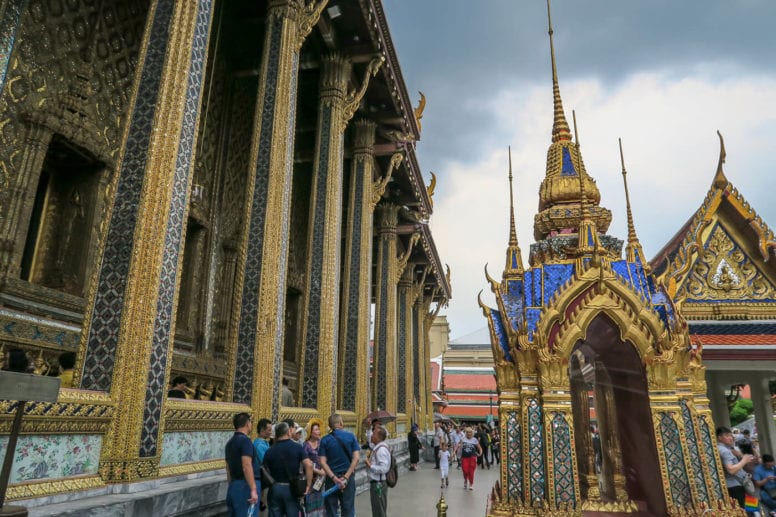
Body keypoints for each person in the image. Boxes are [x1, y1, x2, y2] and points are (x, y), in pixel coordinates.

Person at [263, 421, 313, 517]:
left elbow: (264, 470)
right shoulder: (297, 447)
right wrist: (308, 485)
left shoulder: (269, 451)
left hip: (275, 488)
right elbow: (309, 465)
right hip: (291, 489)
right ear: (288, 432)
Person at [319, 413, 361, 517]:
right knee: (348, 508)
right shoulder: (351, 437)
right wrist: (346, 477)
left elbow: (322, 462)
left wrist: (334, 478)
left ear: (330, 426)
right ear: (341, 423)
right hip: (348, 478)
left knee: (331, 509)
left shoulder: (325, 440)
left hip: (331, 479)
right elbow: (356, 458)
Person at [224, 412, 258, 517]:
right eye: (251, 422)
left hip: (233, 485)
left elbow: (228, 469)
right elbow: (246, 465)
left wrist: (231, 486)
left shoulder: (229, 443)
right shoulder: (245, 441)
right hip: (244, 485)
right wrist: (253, 489)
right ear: (247, 424)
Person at [717, 426, 754, 509]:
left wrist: (740, 456)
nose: (731, 438)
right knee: (748, 511)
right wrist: (744, 460)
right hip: (734, 486)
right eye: (727, 436)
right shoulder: (724, 450)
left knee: (753, 508)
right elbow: (731, 470)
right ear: (719, 438)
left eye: (731, 435)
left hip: (739, 484)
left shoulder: (727, 449)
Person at [303, 418, 327, 517]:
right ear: (310, 432)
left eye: (318, 429)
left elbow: (326, 456)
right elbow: (305, 462)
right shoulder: (306, 445)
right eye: (316, 430)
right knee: (311, 501)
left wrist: (323, 469)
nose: (318, 432)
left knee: (321, 500)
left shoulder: (321, 443)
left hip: (321, 478)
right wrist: (318, 471)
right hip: (311, 477)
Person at [365, 427, 391, 517]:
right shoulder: (377, 447)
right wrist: (368, 429)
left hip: (378, 484)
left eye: (374, 433)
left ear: (379, 437)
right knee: (377, 510)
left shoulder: (381, 450)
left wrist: (370, 465)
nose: (372, 435)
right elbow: (369, 441)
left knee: (379, 511)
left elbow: (384, 468)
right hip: (376, 483)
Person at [253, 418, 272, 512]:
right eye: (269, 430)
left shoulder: (265, 443)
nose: (270, 432)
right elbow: (266, 462)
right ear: (262, 429)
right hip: (262, 479)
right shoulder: (259, 445)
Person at [460, 426, 482, 490]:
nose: (469, 433)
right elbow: (459, 447)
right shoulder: (463, 439)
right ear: (466, 433)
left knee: (471, 472)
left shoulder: (474, 440)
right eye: (467, 432)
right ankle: (465, 480)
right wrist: (455, 453)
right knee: (465, 470)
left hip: (472, 458)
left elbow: (479, 448)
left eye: (470, 432)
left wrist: (480, 453)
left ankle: (471, 484)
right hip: (464, 458)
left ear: (472, 433)